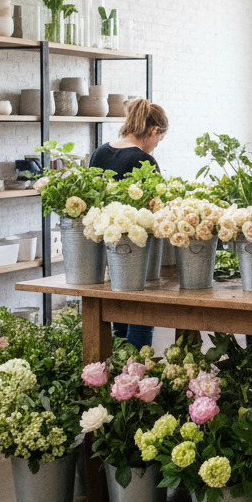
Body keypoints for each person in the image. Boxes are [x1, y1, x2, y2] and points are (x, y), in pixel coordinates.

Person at [88, 97, 168, 349]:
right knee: (141, 314)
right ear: (153, 130)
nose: (155, 146)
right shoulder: (143, 160)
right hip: (137, 247)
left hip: (105, 247)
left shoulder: (100, 152)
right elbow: (157, 207)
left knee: (117, 310)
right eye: (159, 140)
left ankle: (117, 371)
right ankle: (135, 371)